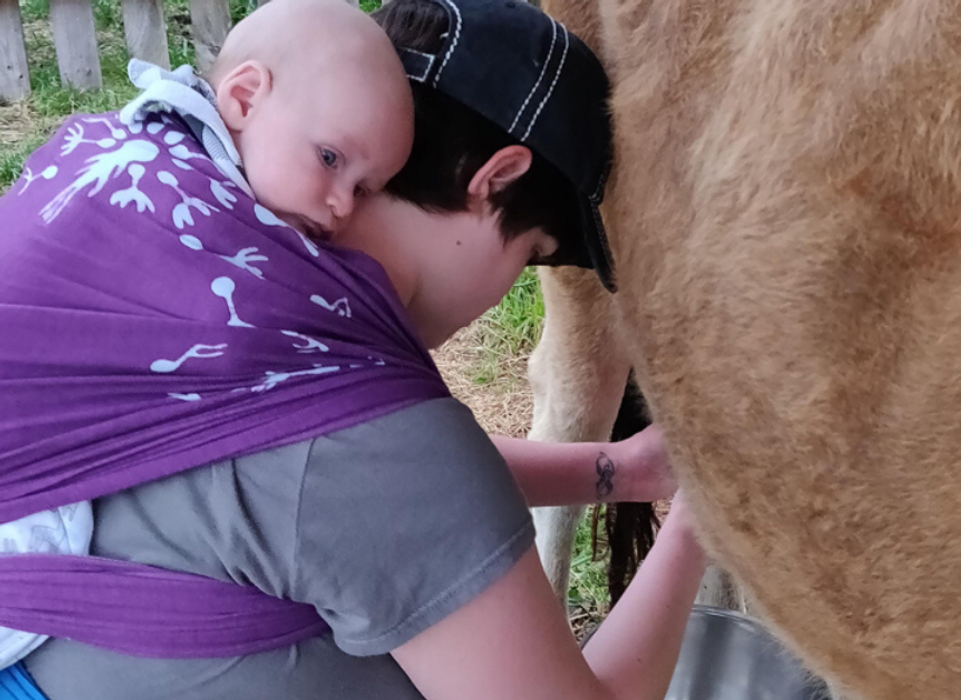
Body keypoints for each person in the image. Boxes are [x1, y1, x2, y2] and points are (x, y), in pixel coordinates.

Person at [0, 0, 708, 698]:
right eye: (531, 255)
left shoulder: (208, 279)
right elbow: (387, 485)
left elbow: (346, 499)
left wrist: (623, 469)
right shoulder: (362, 432)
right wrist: (704, 514)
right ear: (494, 179)